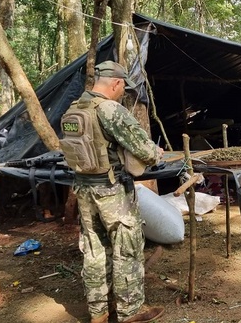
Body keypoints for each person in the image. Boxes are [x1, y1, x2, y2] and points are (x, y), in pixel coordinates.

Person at [60, 61, 165, 323]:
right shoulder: (110, 109)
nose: (123, 93)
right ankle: (130, 312)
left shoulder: (74, 108)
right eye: (123, 89)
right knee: (126, 248)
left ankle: (98, 313)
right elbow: (146, 151)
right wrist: (156, 152)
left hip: (84, 189)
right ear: (116, 83)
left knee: (94, 250)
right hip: (112, 190)